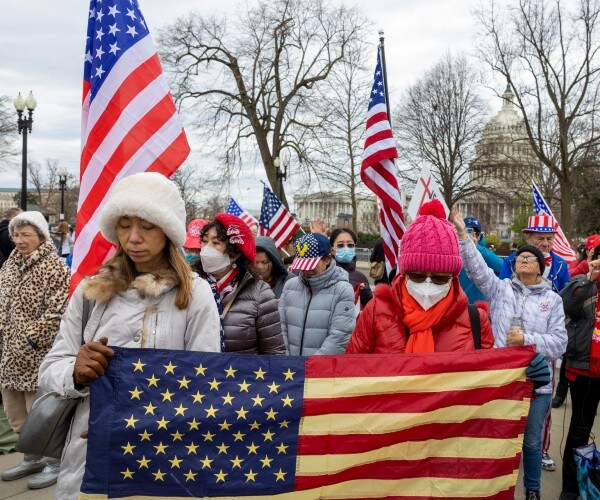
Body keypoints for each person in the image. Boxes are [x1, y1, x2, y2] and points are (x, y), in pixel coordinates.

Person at [37, 172, 222, 498]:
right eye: (124, 225)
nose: (134, 237)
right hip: (89, 458)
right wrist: (75, 374)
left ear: (167, 230)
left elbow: (204, 384)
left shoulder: (196, 295)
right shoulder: (88, 293)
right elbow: (51, 369)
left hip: (162, 460)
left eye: (147, 226)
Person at [452, 206, 567, 500]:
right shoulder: (501, 289)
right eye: (519, 258)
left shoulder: (553, 301)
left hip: (536, 383)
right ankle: (491, 487)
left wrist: (527, 339)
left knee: (530, 443)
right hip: (503, 381)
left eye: (530, 258)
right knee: (495, 437)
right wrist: (464, 236)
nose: (523, 261)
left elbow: (559, 343)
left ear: (540, 267)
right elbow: (477, 268)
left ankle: (532, 489)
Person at [347, 200, 494, 354]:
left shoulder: (476, 321)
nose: (427, 285)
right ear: (405, 274)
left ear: (452, 277)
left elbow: (490, 376)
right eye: (417, 276)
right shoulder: (376, 312)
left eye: (440, 278)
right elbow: (353, 371)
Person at [0, 211, 70, 489]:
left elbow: (58, 310)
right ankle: (32, 457)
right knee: (15, 412)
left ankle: (54, 461)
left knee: (42, 412)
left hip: (37, 355)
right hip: (9, 354)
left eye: (26, 235)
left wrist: (30, 338)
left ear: (41, 237)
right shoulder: (7, 267)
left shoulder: (55, 267)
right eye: (16, 235)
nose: (19, 240)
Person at [195, 213, 285, 354]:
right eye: (205, 241)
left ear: (235, 253)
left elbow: (274, 354)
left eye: (216, 243)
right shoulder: (190, 285)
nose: (206, 248)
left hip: (242, 375)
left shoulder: (260, 294)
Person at [559, 245, 600, 500]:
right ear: (590, 259)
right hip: (586, 368)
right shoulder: (580, 281)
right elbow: (565, 306)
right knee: (580, 428)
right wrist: (589, 279)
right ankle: (571, 488)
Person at [279, 232, 355, 355]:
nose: (306, 270)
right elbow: (280, 328)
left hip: (319, 371)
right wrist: (287, 362)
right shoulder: (290, 286)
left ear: (328, 259)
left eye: (311, 265)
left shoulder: (342, 290)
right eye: (302, 265)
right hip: (289, 370)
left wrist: (310, 367)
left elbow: (339, 337)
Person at [500, 214, 570, 293]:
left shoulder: (560, 264)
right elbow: (503, 292)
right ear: (528, 239)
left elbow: (565, 296)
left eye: (549, 239)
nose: (545, 244)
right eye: (540, 239)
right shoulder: (511, 262)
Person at [458, 216, 503, 303]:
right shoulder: (455, 252)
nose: (472, 235)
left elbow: (502, 267)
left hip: (480, 307)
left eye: (477, 233)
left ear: (480, 236)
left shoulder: (484, 252)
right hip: (460, 305)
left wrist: (475, 248)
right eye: (469, 231)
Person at [329, 228, 372, 308]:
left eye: (350, 245)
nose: (346, 248)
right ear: (332, 250)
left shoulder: (361, 277)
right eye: (340, 245)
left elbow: (368, 308)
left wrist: (367, 294)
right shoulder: (324, 274)